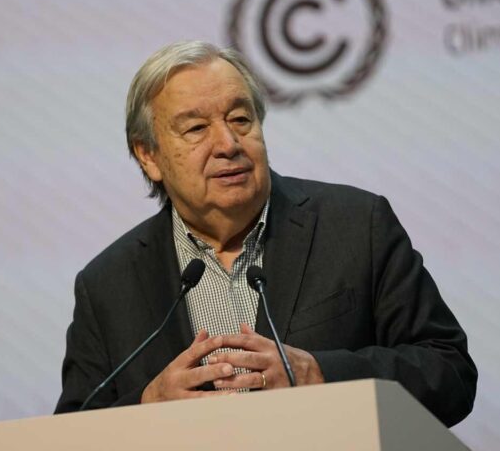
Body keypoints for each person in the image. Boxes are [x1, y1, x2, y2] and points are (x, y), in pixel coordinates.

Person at [54, 40, 477, 426]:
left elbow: (450, 371)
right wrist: (146, 406)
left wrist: (321, 374)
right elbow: (68, 432)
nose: (227, 143)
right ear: (149, 156)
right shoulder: (107, 285)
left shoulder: (355, 225)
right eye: (196, 128)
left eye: (240, 118)